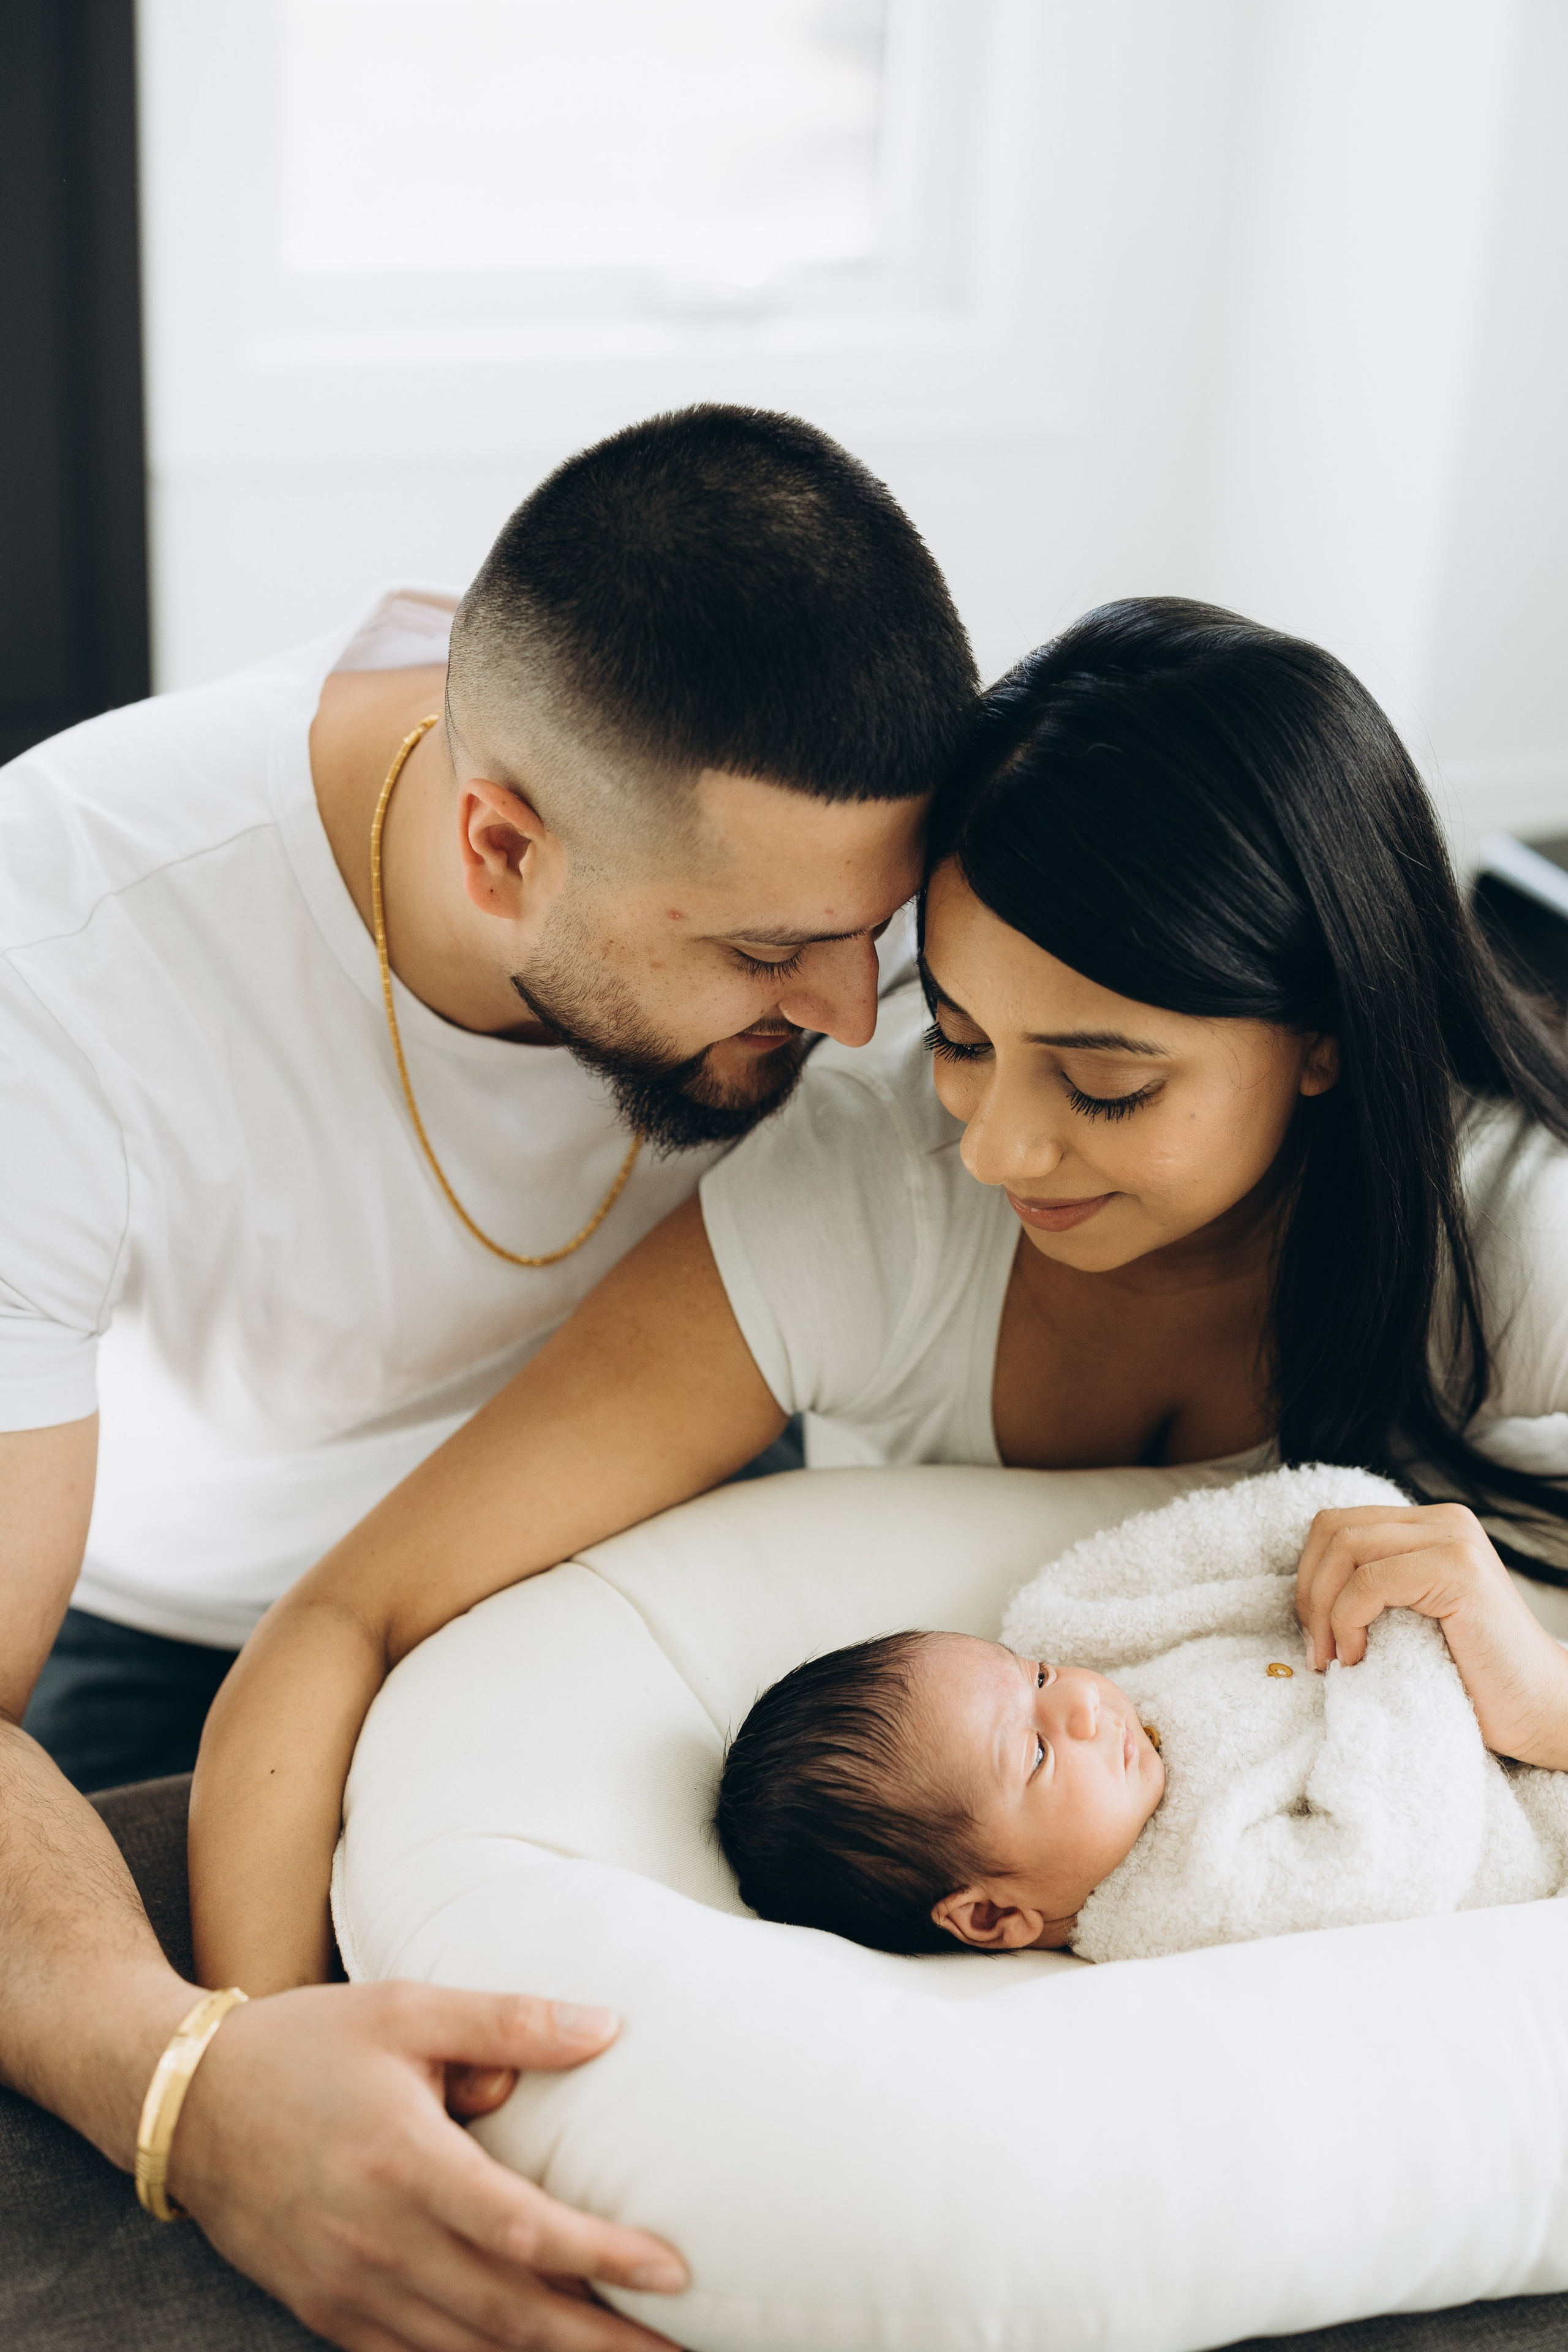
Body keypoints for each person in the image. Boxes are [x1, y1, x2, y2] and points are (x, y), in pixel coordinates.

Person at [190, 596, 1568, 2018]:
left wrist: (1541, 1693)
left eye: (1103, 1085)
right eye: (957, 1038)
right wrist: (254, 2053)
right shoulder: (869, 1191)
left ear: (1321, 1041)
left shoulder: (1504, 1225)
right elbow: (348, 1613)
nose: (996, 1151)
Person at [0, 405, 977, 2348]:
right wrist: (195, 2088)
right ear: (500, 848)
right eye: (773, 952)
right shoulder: (63, 945)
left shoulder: (805, 840)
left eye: (874, 936)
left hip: (671, 1552)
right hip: (186, 1625)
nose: (857, 1017)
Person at [713, 1466, 1568, 1965]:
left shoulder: (1080, 1632)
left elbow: (1283, 1518)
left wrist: (1365, 1535)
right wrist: (1396, 1627)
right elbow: (1390, 1862)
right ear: (992, 1917)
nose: (1081, 1702)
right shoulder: (1180, 1898)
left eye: (1036, 1675)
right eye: (1036, 1754)